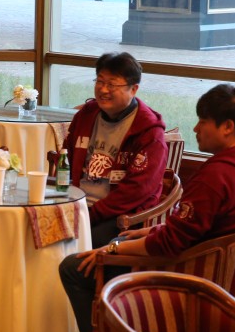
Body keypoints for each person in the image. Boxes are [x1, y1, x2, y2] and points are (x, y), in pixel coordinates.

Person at [58, 84, 235, 332]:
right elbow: (208, 227)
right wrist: (151, 230)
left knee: (76, 267)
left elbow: (171, 244)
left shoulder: (217, 176)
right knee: (120, 240)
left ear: (227, 127)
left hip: (192, 285)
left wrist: (110, 251)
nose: (196, 128)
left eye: (203, 121)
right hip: (225, 282)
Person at [62, 52, 168, 247]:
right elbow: (66, 158)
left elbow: (136, 190)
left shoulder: (149, 132)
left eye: (112, 84)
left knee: (73, 243)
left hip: (121, 217)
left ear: (133, 89)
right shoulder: (86, 115)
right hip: (79, 204)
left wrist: (90, 214)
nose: (103, 90)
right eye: (100, 81)